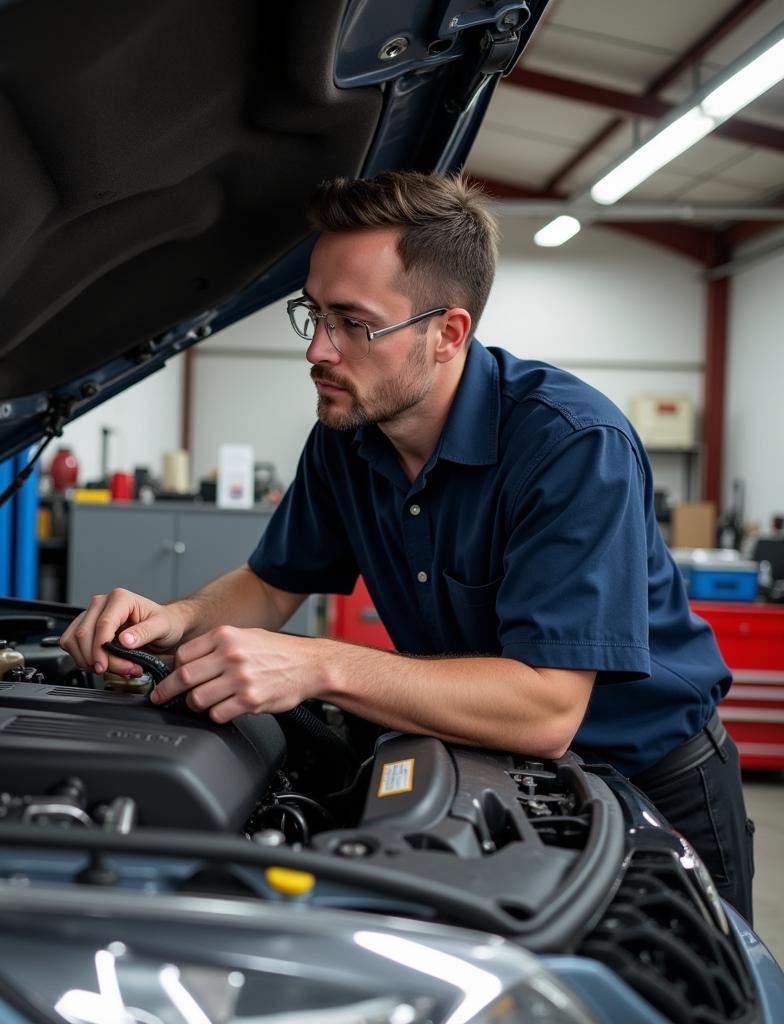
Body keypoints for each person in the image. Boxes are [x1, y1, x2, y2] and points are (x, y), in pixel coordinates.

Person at [60, 171, 754, 921]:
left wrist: (317, 663)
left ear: (447, 332)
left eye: (353, 323)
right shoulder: (347, 434)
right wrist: (172, 617)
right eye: (312, 313)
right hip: (480, 766)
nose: (317, 351)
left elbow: (547, 710)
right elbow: (271, 583)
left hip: (646, 783)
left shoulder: (572, 447)